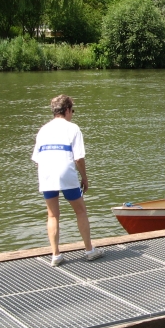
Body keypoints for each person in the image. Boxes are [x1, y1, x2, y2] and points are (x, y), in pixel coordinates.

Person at [32, 95, 104, 267]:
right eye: (72, 110)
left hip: (46, 172)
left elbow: (37, 159)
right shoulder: (73, 128)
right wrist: (84, 177)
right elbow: (78, 158)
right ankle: (89, 251)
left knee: (52, 214)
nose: (72, 114)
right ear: (66, 110)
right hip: (65, 172)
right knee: (81, 211)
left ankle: (55, 255)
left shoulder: (43, 130)